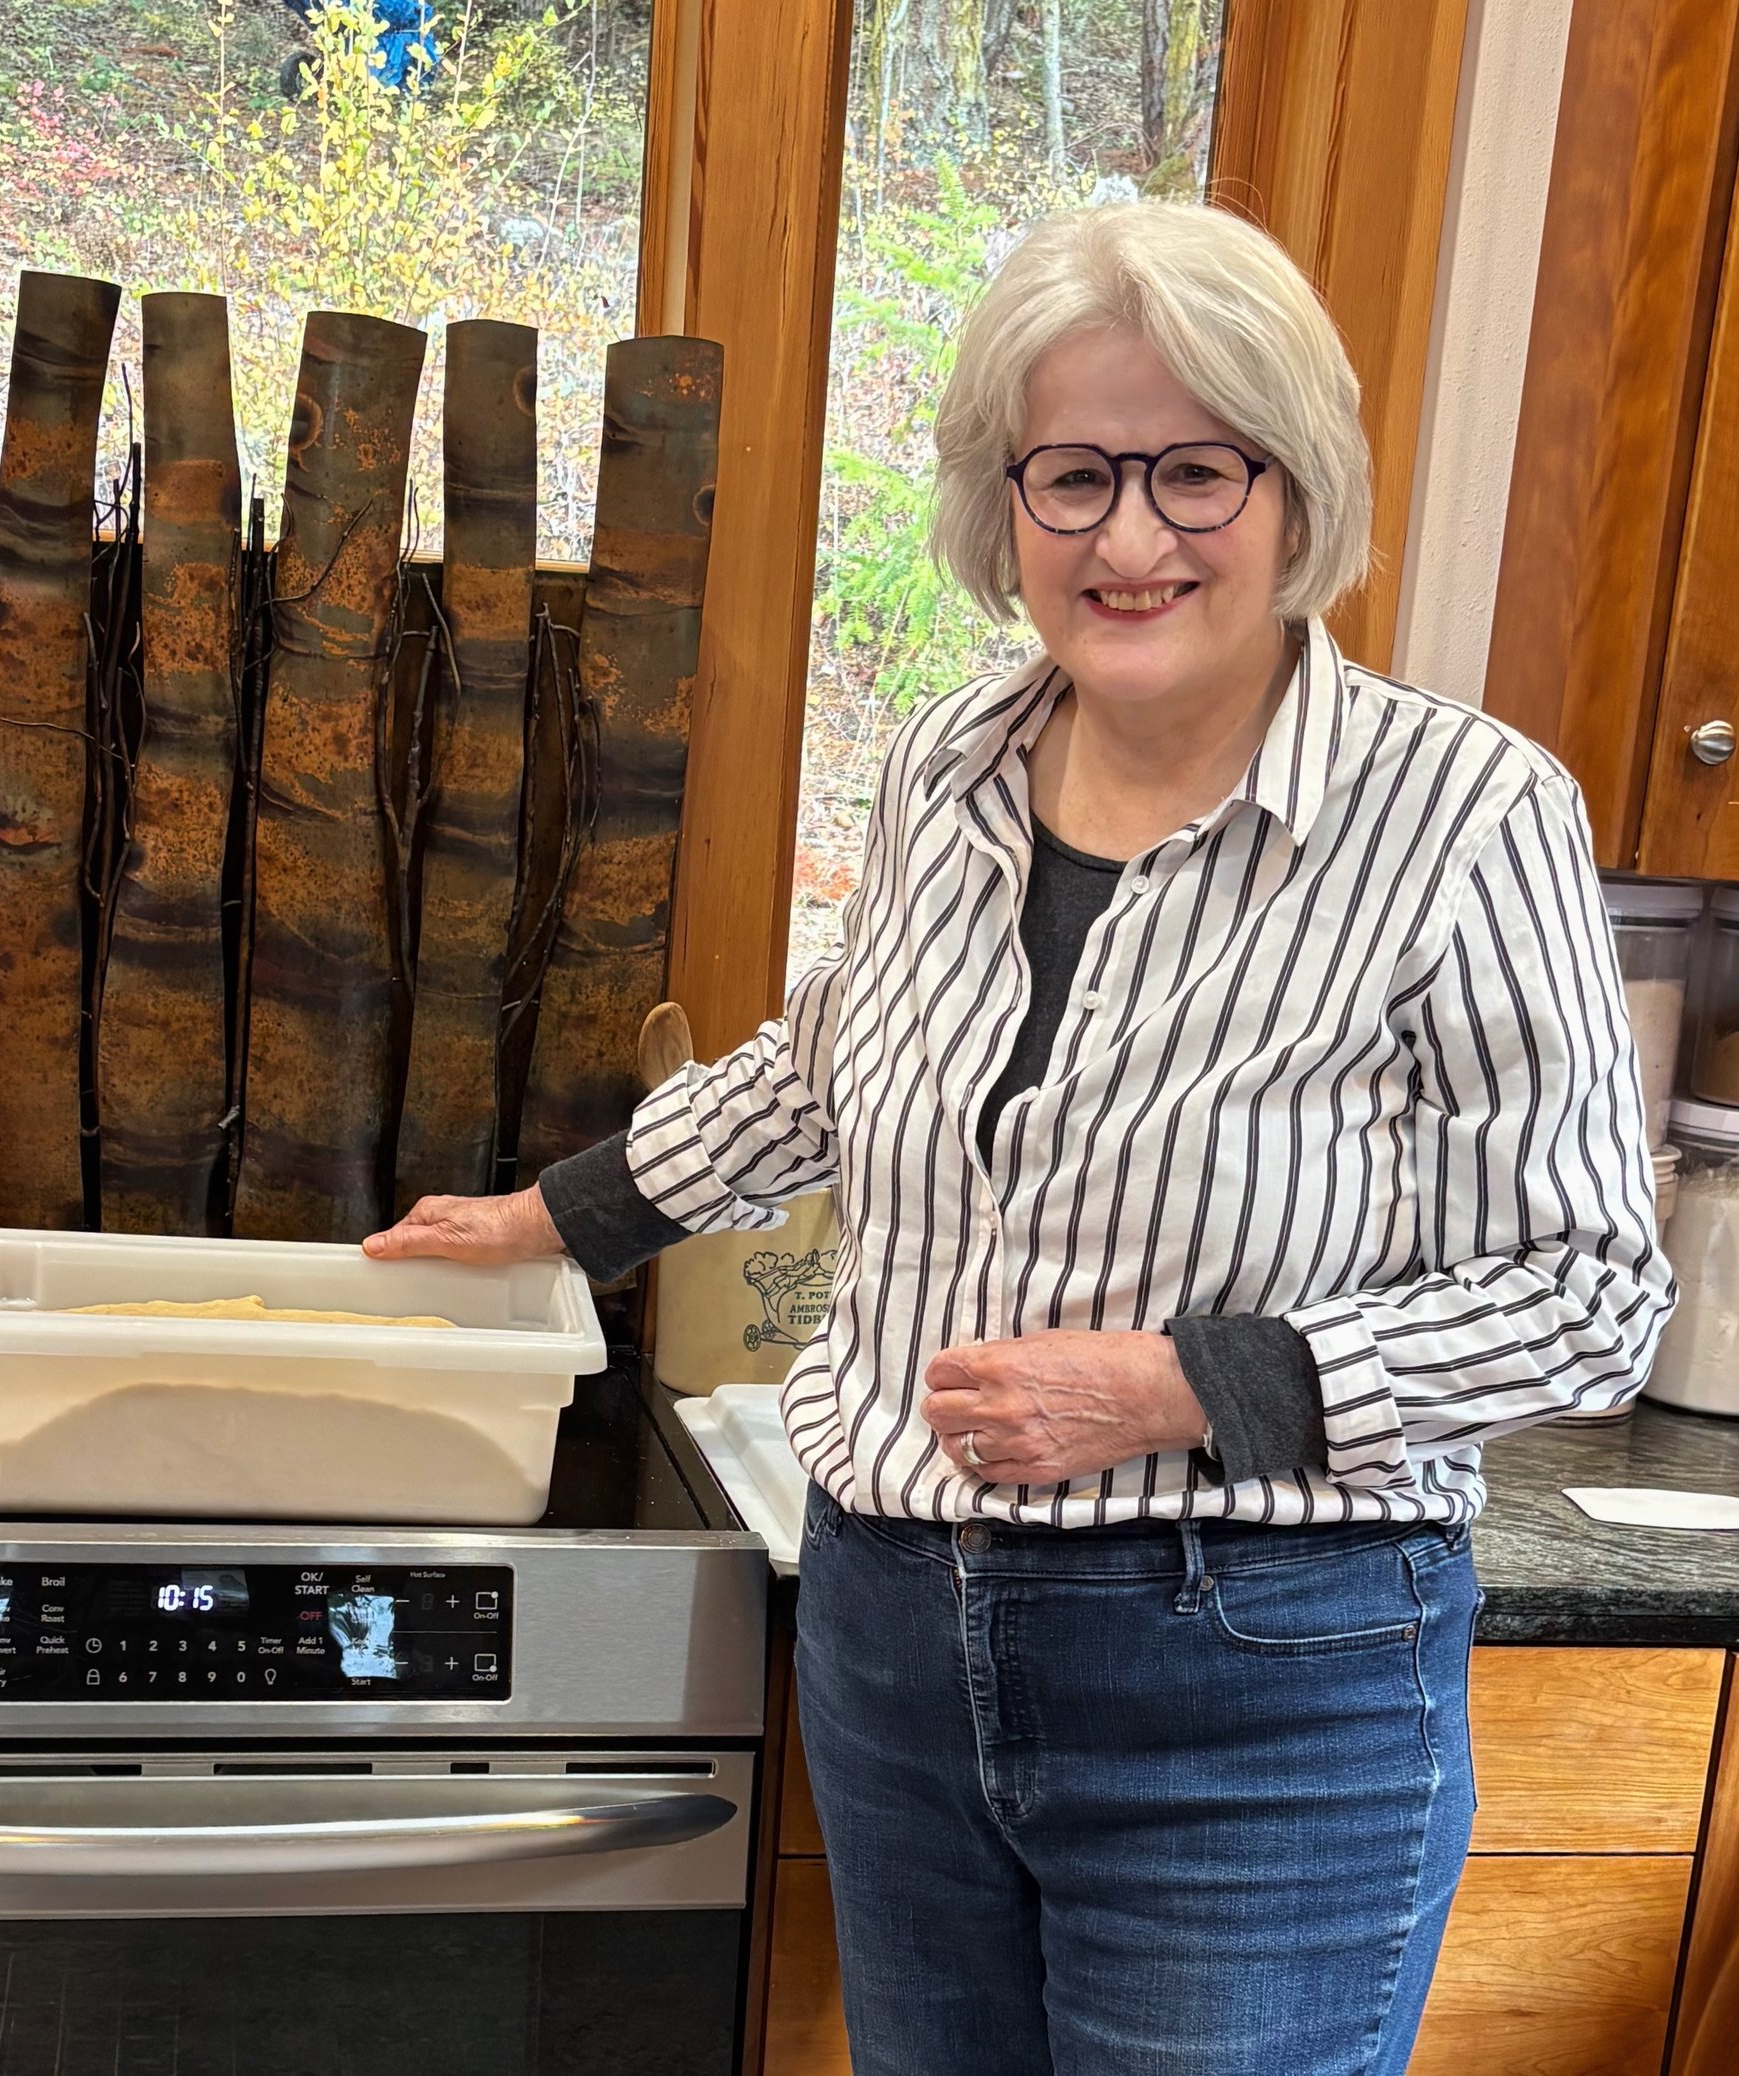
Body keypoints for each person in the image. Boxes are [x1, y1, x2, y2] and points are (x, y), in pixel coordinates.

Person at [367, 200, 1673, 2074]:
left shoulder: (1466, 817)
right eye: (1072, 476)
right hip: (896, 1634)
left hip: (1260, 1678)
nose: (1129, 538)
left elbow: (1587, 1295)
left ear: (1296, 492)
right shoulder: (947, 762)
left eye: (1196, 470)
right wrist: (552, 1221)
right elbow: (828, 1070)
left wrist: (1184, 1384)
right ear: (1007, 509)